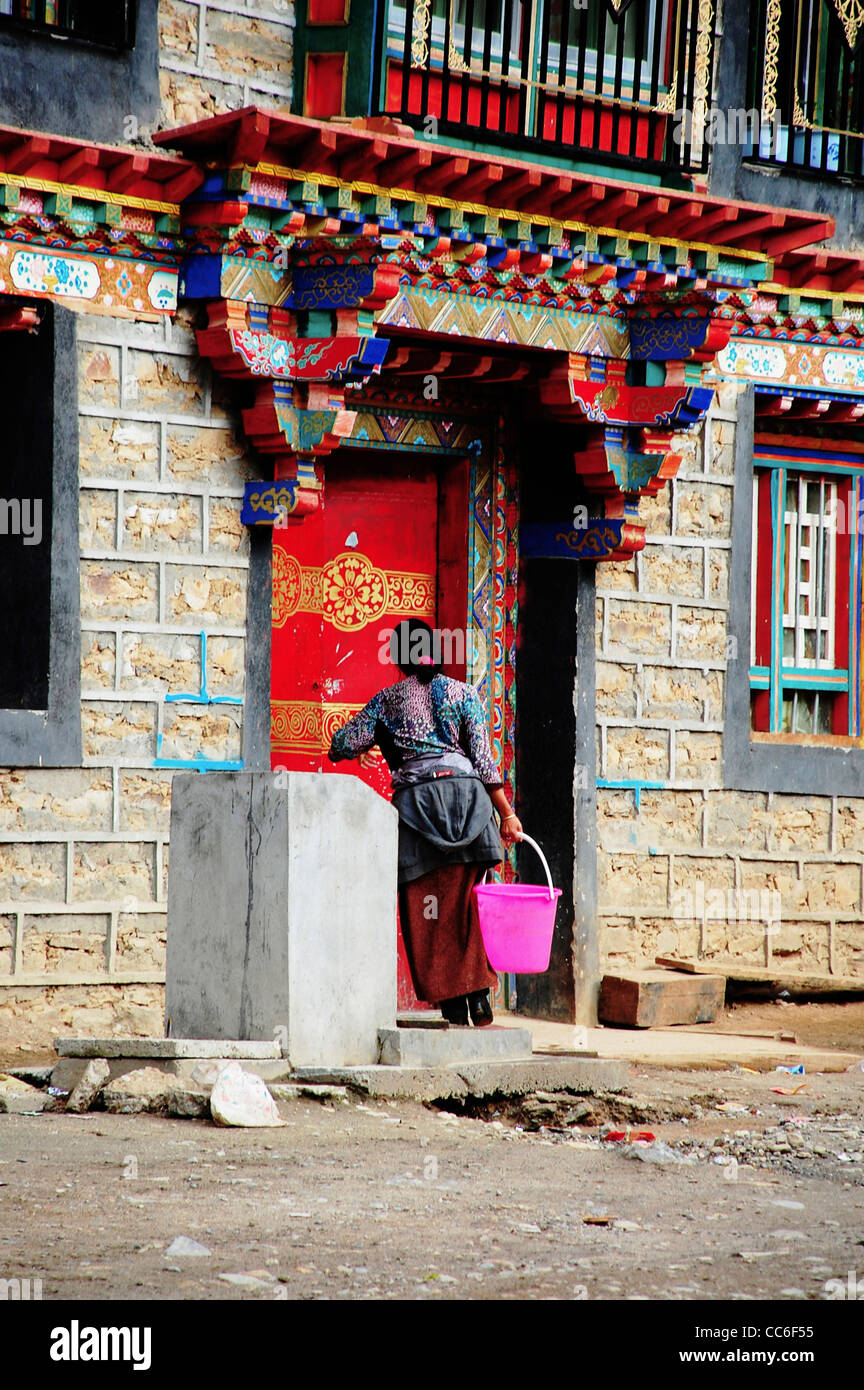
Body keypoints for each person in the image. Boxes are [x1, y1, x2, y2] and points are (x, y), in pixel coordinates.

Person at [328, 619, 522, 1026]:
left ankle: (450, 1001)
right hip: (469, 804)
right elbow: (485, 763)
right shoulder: (464, 694)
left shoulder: (388, 700)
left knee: (427, 905)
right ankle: (480, 993)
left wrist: (370, 745)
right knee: (469, 901)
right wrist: (506, 814)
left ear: (399, 659)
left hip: (417, 810)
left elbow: (341, 744)